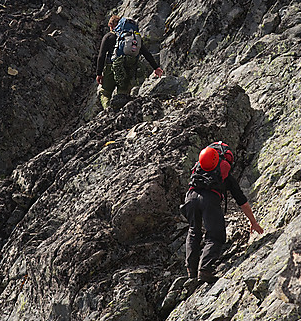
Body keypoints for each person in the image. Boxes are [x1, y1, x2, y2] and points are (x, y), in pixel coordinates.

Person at [181, 142, 263, 283]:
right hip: (209, 200)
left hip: (191, 197)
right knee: (215, 236)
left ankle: (191, 271)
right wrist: (253, 222)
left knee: (194, 231)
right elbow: (241, 201)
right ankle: (205, 269)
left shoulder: (198, 169)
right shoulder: (224, 174)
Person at [96, 15, 163, 109]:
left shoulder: (109, 36)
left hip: (111, 68)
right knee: (123, 93)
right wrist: (156, 67)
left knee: (105, 93)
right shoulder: (132, 37)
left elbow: (101, 56)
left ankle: (108, 111)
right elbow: (145, 52)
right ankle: (120, 112)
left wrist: (99, 73)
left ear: (112, 26)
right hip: (128, 68)